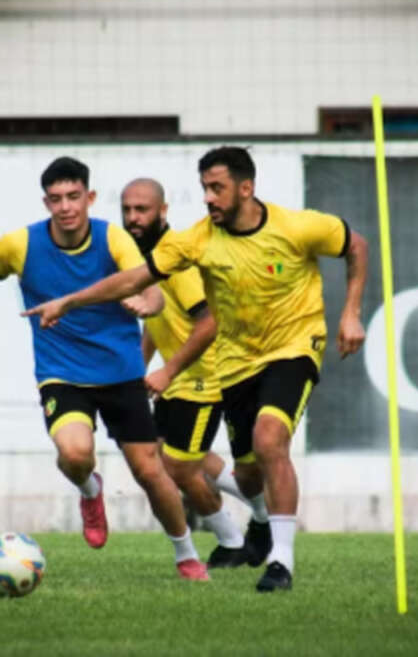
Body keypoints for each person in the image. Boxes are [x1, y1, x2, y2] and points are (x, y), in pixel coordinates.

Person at [24, 147, 368, 592]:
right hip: (235, 362)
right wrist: (70, 301)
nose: (208, 197)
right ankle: (258, 520)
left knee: (262, 441)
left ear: (246, 188)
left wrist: (351, 312)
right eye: (205, 187)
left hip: (293, 346)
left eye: (217, 188)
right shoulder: (194, 241)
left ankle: (279, 560)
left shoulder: (298, 226)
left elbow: (355, 244)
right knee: (246, 473)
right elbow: (134, 283)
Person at [0, 156, 210, 581]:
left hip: (122, 372)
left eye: (74, 196)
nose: (66, 207)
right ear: (46, 202)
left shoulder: (113, 239)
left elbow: (151, 294)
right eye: (56, 199)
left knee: (150, 471)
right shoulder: (20, 245)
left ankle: (186, 556)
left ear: (89, 197)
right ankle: (89, 489)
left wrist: (143, 302)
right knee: (75, 454)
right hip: (62, 373)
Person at [121, 177, 261, 569]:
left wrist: (168, 370)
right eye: (128, 209)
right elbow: (157, 320)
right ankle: (263, 508)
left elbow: (210, 323)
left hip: (205, 378)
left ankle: (235, 541)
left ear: (163, 211)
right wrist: (141, 366)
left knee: (178, 467)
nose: (133, 217)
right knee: (188, 460)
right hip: (178, 379)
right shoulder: (149, 258)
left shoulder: (177, 258)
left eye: (142, 209)